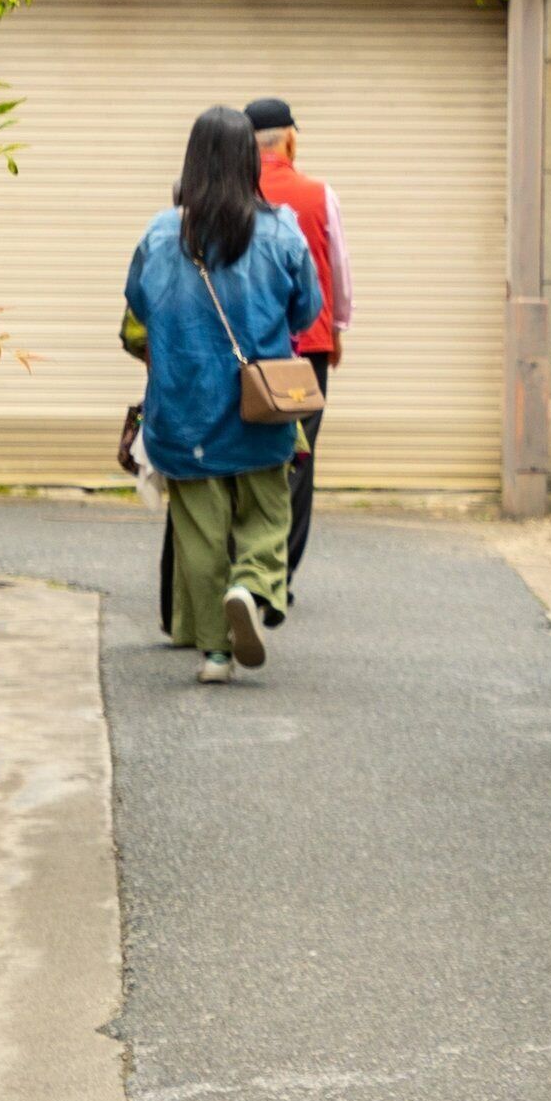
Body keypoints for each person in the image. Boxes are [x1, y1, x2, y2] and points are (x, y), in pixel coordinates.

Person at [126, 106, 327, 682]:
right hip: (257, 408)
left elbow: (139, 307)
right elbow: (307, 310)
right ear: (248, 163)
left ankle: (216, 653)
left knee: (199, 535)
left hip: (182, 410)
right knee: (266, 517)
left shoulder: (161, 232)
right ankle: (251, 584)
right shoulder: (281, 228)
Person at [247, 97, 355, 602]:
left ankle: (241, 564)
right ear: (289, 138)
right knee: (297, 455)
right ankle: (279, 576)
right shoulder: (318, 194)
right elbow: (339, 266)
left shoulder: (229, 191)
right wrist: (336, 328)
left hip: (243, 347)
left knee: (240, 450)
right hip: (304, 349)